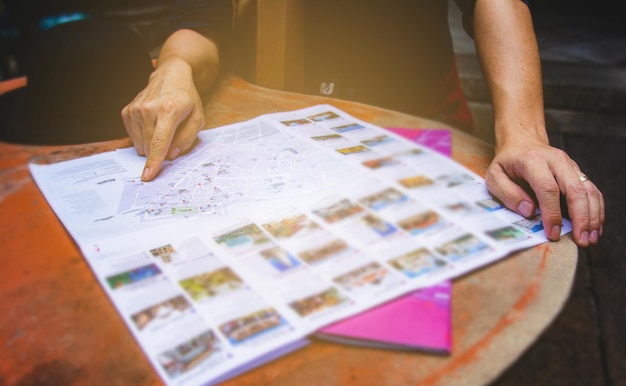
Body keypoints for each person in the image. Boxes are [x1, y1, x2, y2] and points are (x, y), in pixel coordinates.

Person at [121, 0, 604, 249]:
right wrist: (175, 70)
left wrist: (522, 131)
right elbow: (201, 23)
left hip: (414, 115)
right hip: (269, 118)